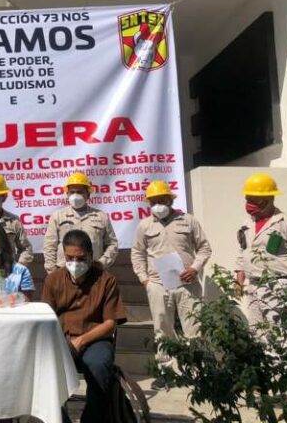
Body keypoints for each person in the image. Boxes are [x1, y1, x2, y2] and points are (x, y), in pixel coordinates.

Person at [130, 180, 212, 389]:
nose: (158, 205)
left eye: (162, 200)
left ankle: (196, 372)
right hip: (158, 284)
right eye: (153, 202)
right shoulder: (144, 226)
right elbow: (137, 254)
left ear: (170, 200)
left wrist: (195, 268)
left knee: (194, 328)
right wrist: (144, 280)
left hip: (187, 284)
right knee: (162, 330)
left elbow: (204, 248)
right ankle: (166, 372)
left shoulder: (188, 221)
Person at [42, 230, 127, 423]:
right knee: (44, 371)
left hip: (96, 340)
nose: (75, 263)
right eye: (70, 258)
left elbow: (110, 324)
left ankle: (91, 419)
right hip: (62, 340)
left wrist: (81, 341)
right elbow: (46, 318)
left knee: (98, 366)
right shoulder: (53, 279)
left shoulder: (106, 280)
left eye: (80, 258)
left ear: (90, 255)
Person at [234, 173, 287, 328]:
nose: (248, 203)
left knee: (282, 334)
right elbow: (243, 252)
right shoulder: (248, 223)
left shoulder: (286, 223)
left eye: (252, 199)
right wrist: (239, 281)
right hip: (254, 286)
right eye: (247, 199)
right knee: (258, 333)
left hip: (279, 286)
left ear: (267, 199)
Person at [44, 172, 118, 273]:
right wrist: (53, 272)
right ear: (67, 194)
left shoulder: (101, 216)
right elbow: (49, 247)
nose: (75, 195)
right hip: (64, 272)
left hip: (93, 272)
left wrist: (101, 263)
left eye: (80, 192)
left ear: (88, 194)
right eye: (72, 192)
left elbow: (112, 244)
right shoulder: (57, 216)